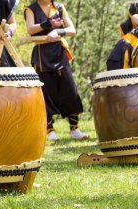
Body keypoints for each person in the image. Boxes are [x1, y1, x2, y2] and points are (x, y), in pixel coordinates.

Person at [24, 0, 89, 141]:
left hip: (59, 52)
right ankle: (49, 130)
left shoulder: (59, 7)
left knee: (70, 90)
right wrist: (48, 24)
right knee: (45, 93)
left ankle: (74, 129)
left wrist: (58, 31)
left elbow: (72, 29)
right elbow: (30, 30)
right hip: (42, 54)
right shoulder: (31, 9)